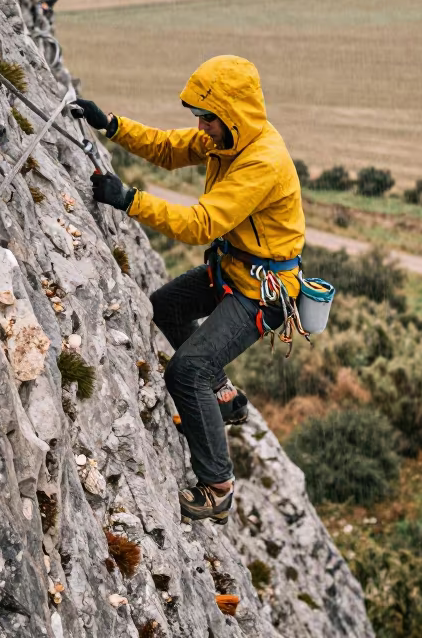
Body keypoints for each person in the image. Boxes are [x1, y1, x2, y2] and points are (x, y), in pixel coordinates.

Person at [75, 55, 305, 525]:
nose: (201, 127)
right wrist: (112, 125)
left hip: (261, 292)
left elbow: (201, 223)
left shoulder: (262, 161)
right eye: (199, 117)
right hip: (234, 272)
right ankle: (223, 395)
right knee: (164, 307)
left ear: (233, 116)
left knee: (186, 371)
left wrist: (129, 200)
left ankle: (218, 487)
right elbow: (169, 147)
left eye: (207, 118)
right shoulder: (229, 140)